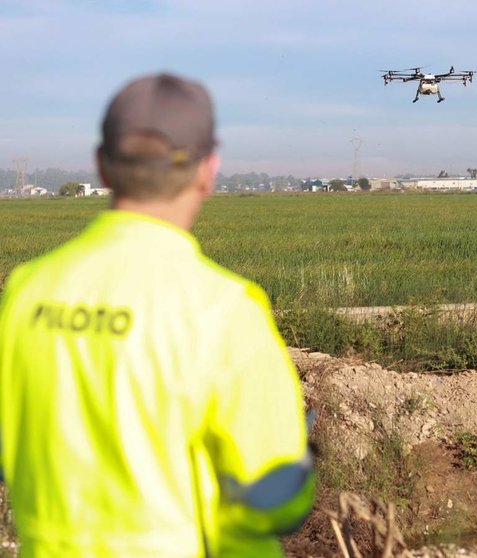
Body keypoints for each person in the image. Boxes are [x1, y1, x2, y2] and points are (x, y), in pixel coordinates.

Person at [0, 72, 315, 557]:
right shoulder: (225, 310)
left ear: (102, 166)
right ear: (208, 169)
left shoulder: (26, 292)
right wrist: (303, 463)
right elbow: (271, 500)